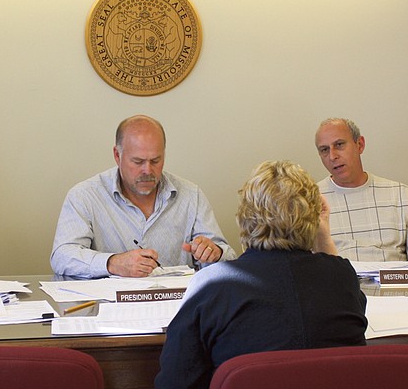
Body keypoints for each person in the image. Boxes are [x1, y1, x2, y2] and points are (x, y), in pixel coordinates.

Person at [155, 161, 367, 389]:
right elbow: (337, 271)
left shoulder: (211, 285)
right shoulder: (342, 277)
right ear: (313, 219)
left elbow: (174, 381)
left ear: (245, 217)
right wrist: (322, 232)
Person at [51, 115, 235, 278]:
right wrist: (113, 263)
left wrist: (214, 253)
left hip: (177, 308)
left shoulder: (190, 195)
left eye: (156, 160)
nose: (147, 170)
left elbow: (229, 258)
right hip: (108, 309)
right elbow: (62, 256)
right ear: (117, 155)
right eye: (138, 161)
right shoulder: (85, 195)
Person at [314, 118, 408, 262]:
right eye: (324, 150)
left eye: (340, 145)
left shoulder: (400, 195)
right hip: (339, 283)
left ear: (359, 145)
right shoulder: (310, 201)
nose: (333, 156)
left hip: (392, 282)